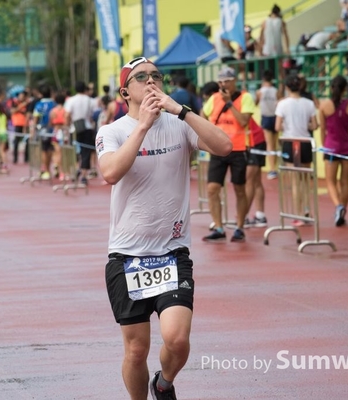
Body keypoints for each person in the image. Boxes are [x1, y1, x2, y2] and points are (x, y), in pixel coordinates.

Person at [96, 56, 232, 400]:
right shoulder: (112, 132)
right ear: (126, 92)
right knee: (136, 350)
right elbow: (110, 172)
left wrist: (181, 111)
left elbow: (224, 146)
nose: (152, 81)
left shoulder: (180, 125)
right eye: (142, 77)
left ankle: (164, 383)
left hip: (171, 253)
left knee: (177, 339)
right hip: (127, 257)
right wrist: (142, 125)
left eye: (157, 76)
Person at [202, 66, 255, 243]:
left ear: (234, 81)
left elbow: (243, 121)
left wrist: (230, 103)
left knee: (239, 189)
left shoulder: (245, 97)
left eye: (227, 81)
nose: (223, 84)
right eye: (221, 81)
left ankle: (239, 227)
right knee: (212, 189)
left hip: (238, 149)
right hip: (217, 149)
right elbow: (204, 115)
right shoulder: (214, 98)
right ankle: (218, 227)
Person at [275, 73, 319, 226]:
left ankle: (298, 214)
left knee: (295, 181)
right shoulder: (309, 103)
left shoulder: (282, 104)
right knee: (305, 180)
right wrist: (304, 125)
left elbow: (276, 126)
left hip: (290, 141)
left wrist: (288, 126)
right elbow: (315, 125)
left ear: (287, 87)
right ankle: (307, 209)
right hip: (305, 141)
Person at [319, 75, 348, 226]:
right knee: (345, 181)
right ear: (345, 89)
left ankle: (338, 206)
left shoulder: (324, 106)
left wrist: (323, 145)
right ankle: (342, 209)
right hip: (347, 147)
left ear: (331, 88)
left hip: (331, 147)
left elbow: (322, 129)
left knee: (330, 181)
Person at [65, 81, 97, 185]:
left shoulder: (71, 100)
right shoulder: (90, 100)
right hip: (87, 127)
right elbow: (93, 115)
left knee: (73, 151)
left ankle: (74, 171)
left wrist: (67, 126)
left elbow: (67, 114)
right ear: (85, 89)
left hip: (74, 128)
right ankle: (83, 175)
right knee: (86, 151)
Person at [255, 70, 279, 179]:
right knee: (274, 144)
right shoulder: (276, 91)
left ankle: (272, 169)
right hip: (275, 116)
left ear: (263, 79)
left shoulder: (259, 91)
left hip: (266, 117)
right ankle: (275, 168)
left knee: (269, 145)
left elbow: (255, 103)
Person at [32, 85, 57, 180]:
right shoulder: (54, 104)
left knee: (43, 150)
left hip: (42, 131)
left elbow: (35, 119)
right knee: (50, 150)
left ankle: (45, 170)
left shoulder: (39, 105)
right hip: (53, 130)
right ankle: (48, 169)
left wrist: (33, 131)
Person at [259, 4, 290, 76]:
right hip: (276, 49)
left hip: (267, 50)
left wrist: (260, 48)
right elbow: (285, 36)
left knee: (269, 70)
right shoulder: (280, 22)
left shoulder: (265, 22)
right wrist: (287, 48)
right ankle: (281, 86)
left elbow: (261, 37)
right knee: (279, 70)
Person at [10, 91, 28, 164]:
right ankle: (15, 158)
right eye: (20, 96)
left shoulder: (27, 104)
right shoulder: (15, 103)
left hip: (25, 125)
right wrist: (21, 106)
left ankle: (26, 158)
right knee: (16, 142)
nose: (21, 97)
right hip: (17, 124)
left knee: (27, 141)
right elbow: (13, 111)